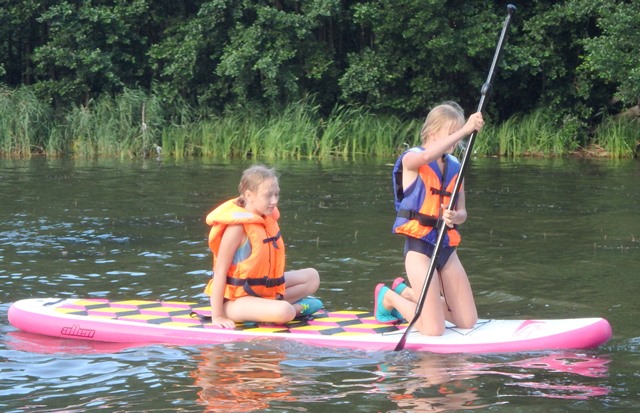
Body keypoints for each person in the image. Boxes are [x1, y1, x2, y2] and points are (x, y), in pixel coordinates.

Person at [374, 102, 484, 336]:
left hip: (445, 248)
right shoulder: (411, 159)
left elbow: (463, 213)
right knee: (434, 330)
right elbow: (426, 155)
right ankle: (389, 296)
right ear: (433, 131)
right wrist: (466, 130)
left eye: (458, 132)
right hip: (419, 249)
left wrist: (455, 216)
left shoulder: (455, 167)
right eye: (451, 132)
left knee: (467, 321)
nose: (456, 138)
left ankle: (408, 293)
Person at [204, 165, 322, 329]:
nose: (274, 201)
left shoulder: (266, 219)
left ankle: (266, 311)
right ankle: (294, 309)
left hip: (263, 292)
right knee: (285, 311)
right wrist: (217, 316)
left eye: (276, 194)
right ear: (249, 195)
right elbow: (220, 272)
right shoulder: (236, 228)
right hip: (236, 301)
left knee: (312, 277)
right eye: (268, 195)